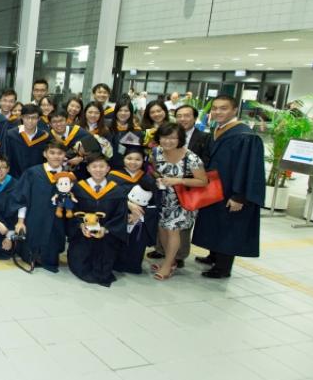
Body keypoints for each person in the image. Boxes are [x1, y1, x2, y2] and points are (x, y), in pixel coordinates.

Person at [192, 95, 265, 278]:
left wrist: (239, 195)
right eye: (215, 108)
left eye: (223, 108)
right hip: (215, 189)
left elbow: (248, 168)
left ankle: (223, 268)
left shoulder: (245, 135)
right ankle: (213, 255)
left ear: (234, 111)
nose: (217, 112)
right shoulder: (218, 130)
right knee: (216, 223)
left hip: (231, 191)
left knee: (228, 227)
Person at [150, 124, 208, 280]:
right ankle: (169, 260)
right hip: (162, 199)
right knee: (162, 229)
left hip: (182, 201)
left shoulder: (191, 158)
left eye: (173, 138)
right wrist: (158, 179)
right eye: (165, 137)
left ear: (180, 139)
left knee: (172, 231)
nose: (168, 141)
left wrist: (178, 180)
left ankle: (167, 266)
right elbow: (154, 170)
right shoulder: (157, 153)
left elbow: (203, 181)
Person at [65, 154, 127, 287]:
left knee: (104, 267)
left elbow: (120, 215)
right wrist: (80, 225)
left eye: (102, 166)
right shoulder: (78, 188)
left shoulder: (117, 190)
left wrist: (106, 229)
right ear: (88, 168)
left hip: (106, 236)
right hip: (82, 235)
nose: (98, 170)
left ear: (108, 168)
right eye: (94, 166)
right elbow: (72, 212)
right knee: (80, 265)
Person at [13, 142, 68, 273]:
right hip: (34, 217)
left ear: (64, 155)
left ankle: (48, 259)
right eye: (52, 153)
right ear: (45, 154)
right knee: (32, 242)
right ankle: (32, 257)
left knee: (52, 242)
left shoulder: (68, 177)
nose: (56, 156)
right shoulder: (33, 173)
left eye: (60, 153)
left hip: (56, 220)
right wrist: (20, 221)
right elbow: (22, 198)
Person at [109, 146, 158, 274]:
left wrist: (140, 215)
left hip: (140, 220)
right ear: (123, 159)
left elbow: (154, 202)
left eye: (138, 159)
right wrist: (127, 205)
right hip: (118, 217)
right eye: (129, 158)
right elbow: (108, 198)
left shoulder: (148, 179)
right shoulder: (113, 176)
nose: (133, 162)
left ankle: (132, 265)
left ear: (143, 161)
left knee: (136, 244)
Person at [4, 104, 48, 177]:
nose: (30, 121)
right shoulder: (10, 135)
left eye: (34, 118)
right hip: (15, 178)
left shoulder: (44, 137)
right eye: (27, 117)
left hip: (37, 178)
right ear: (21, 117)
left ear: (39, 118)